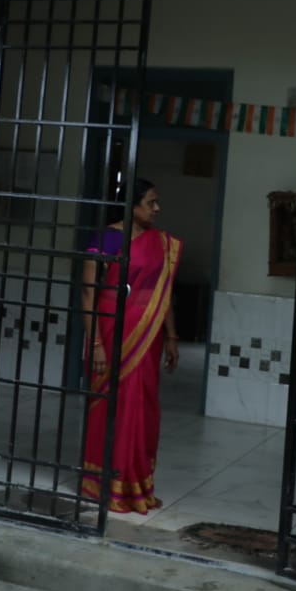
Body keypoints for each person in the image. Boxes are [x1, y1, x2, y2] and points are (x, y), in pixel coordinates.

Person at [80, 179, 182, 514]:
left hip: (147, 337)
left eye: (157, 202)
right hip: (111, 330)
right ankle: (104, 481)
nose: (157, 208)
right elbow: (89, 293)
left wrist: (171, 336)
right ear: (131, 206)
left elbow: (162, 294)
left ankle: (136, 484)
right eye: (150, 202)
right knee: (115, 404)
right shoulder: (107, 238)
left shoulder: (161, 243)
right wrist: (95, 342)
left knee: (143, 407)